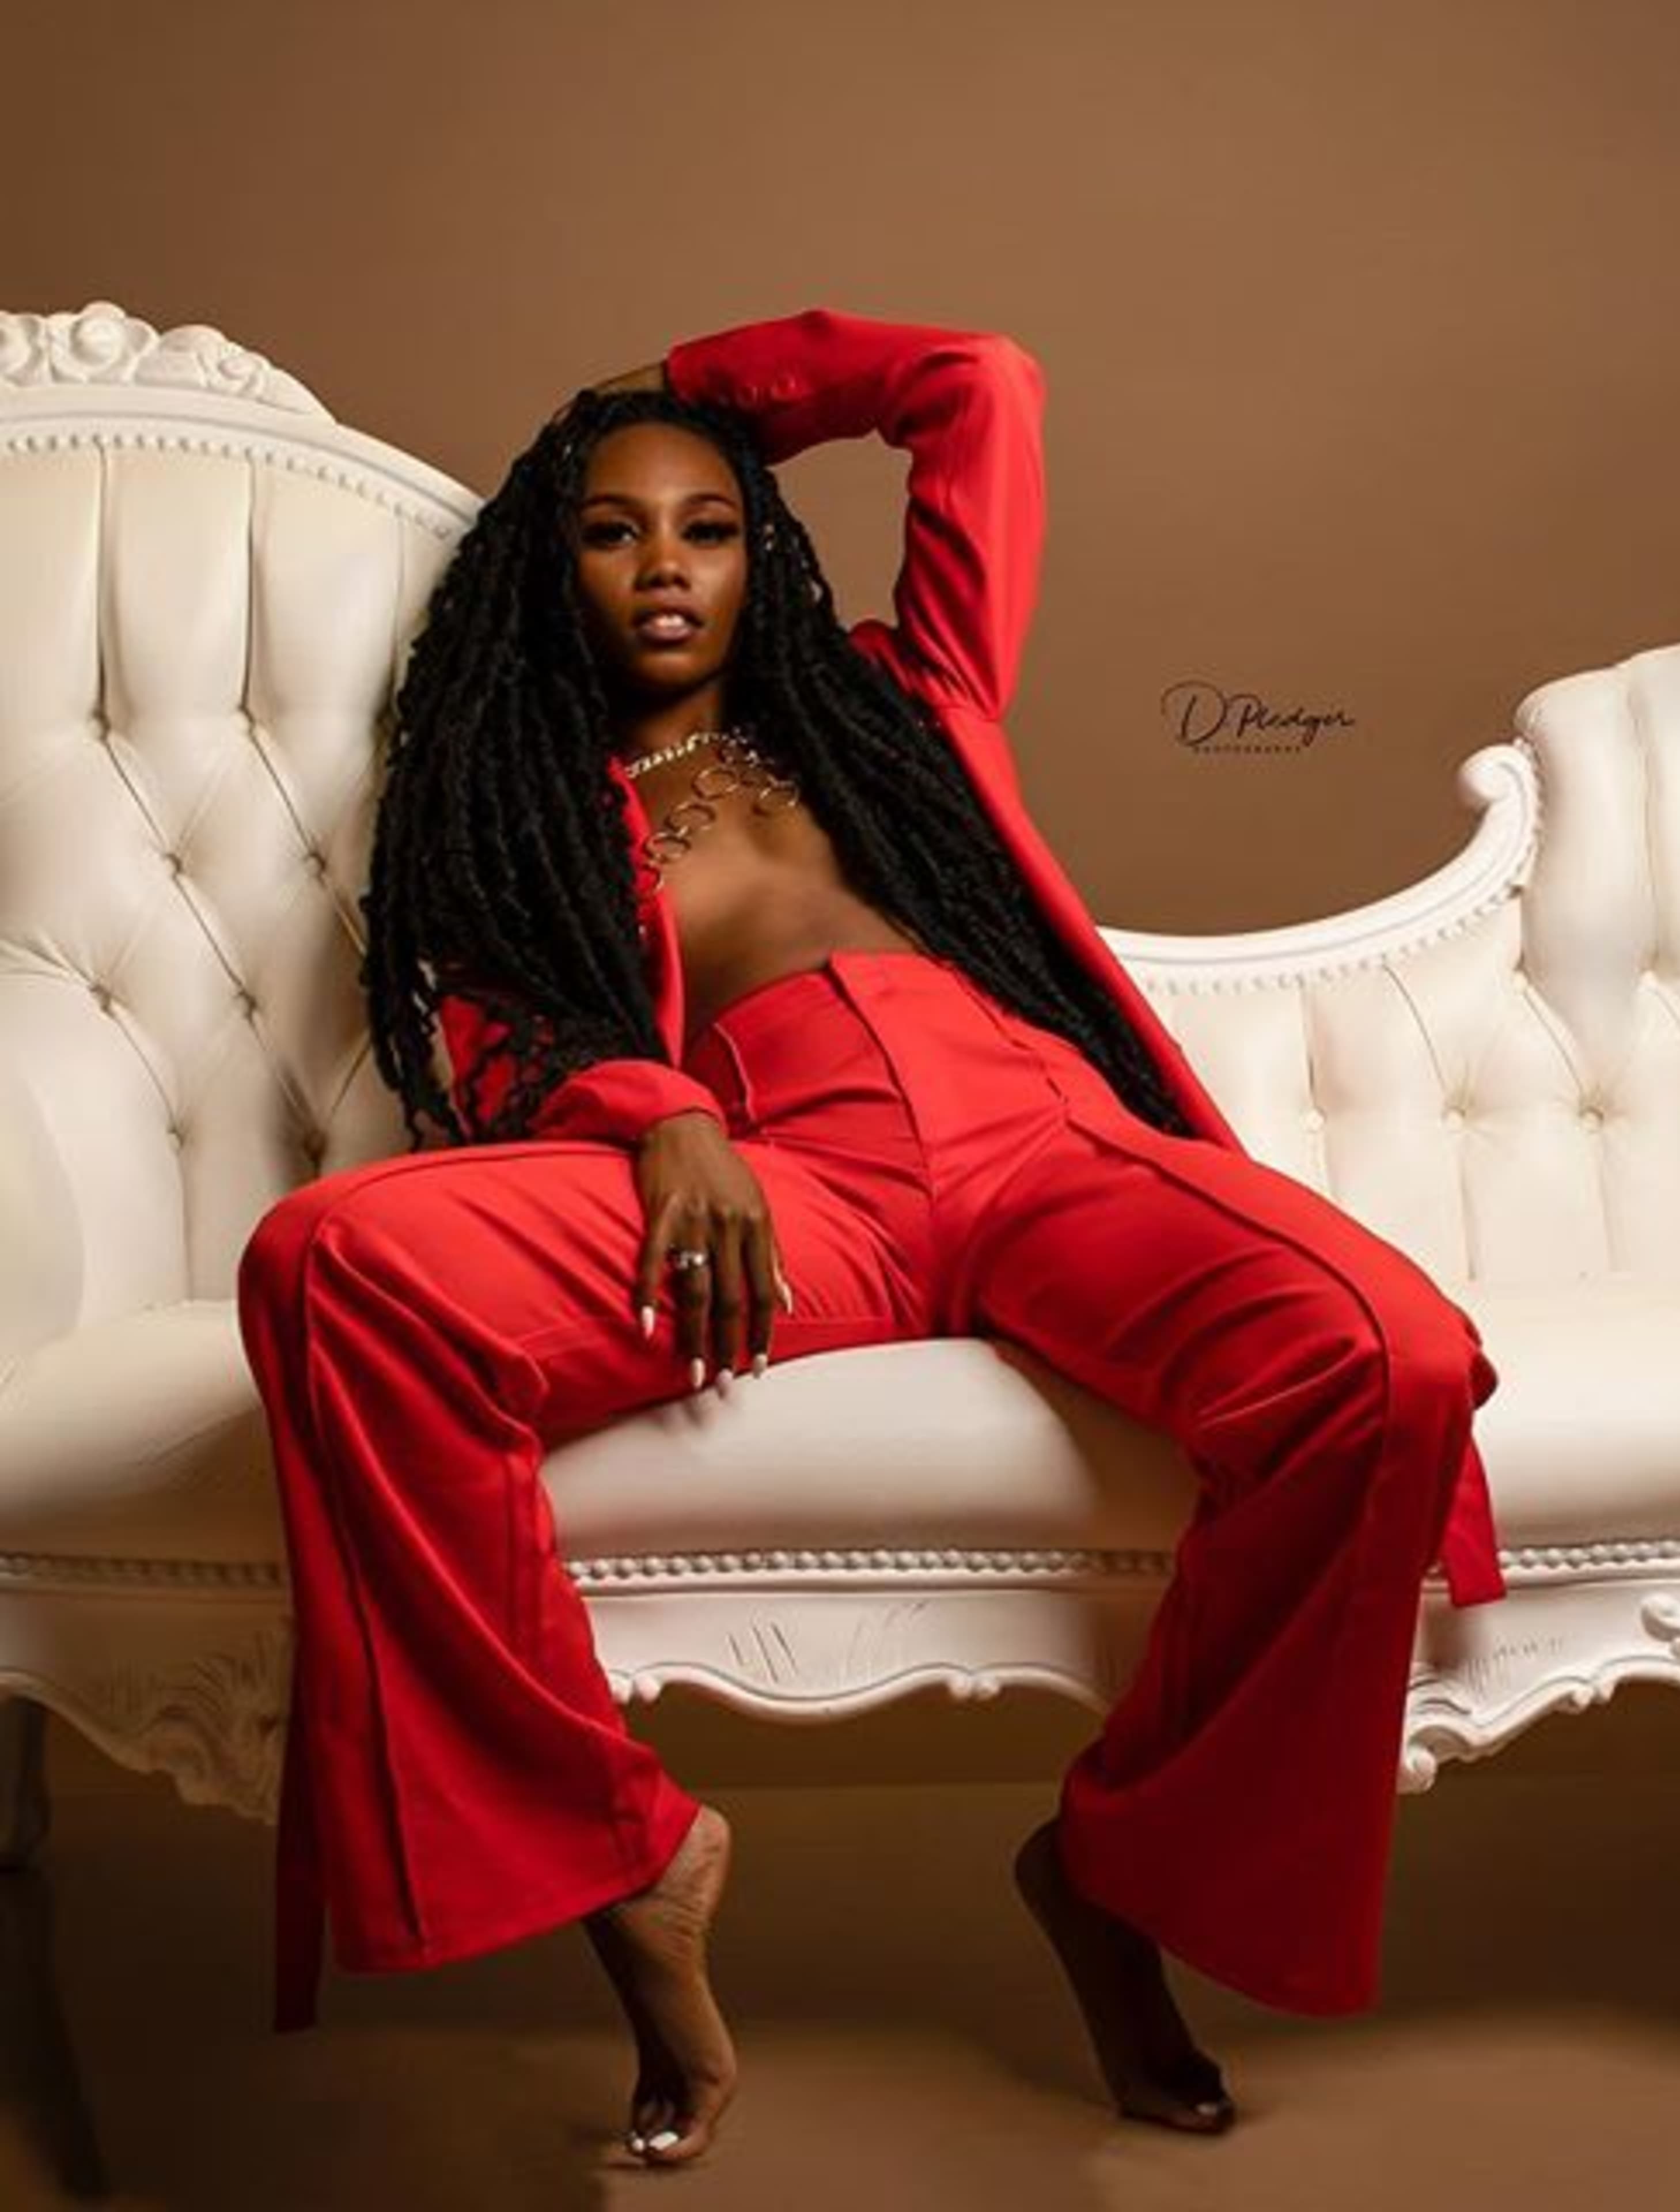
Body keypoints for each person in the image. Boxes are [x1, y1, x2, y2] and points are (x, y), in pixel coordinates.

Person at [234, 306, 1508, 2171]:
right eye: (612, 527)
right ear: (547, 563)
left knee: (1385, 1360)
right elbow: (510, 1037)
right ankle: (626, 1849)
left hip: (1043, 1140)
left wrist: (681, 381)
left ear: (765, 544)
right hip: (786, 1182)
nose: (664, 564)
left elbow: (975, 387)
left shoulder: (898, 704)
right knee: (328, 1268)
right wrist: (663, 1118)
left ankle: (1114, 1870)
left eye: (708, 522)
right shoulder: (516, 794)